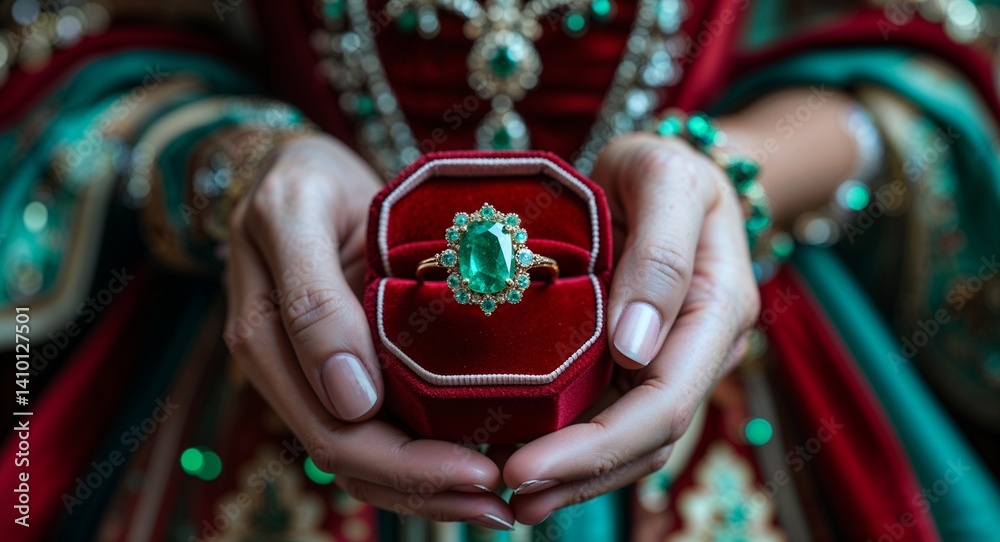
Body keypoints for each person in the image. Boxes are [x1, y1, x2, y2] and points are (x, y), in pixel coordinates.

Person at [2, 0, 999, 539]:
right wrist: (233, 167)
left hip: (723, 368)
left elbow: (924, 67)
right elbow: (81, 54)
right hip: (282, 357)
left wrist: (737, 175)